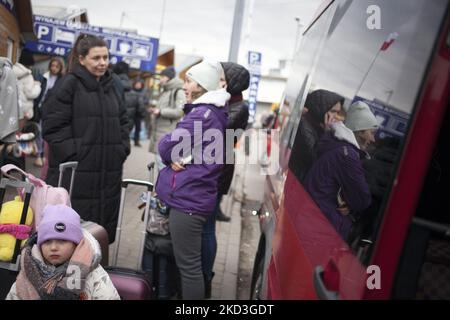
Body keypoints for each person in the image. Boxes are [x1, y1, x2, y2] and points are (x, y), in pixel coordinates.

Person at [42, 34, 131, 243]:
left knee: (99, 236)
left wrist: (121, 149)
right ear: (81, 59)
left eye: (106, 57)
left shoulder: (112, 85)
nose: (103, 63)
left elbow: (124, 121)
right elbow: (53, 127)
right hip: (76, 174)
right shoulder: (69, 84)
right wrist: (77, 152)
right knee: (70, 236)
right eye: (96, 58)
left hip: (108, 173)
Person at [155, 61, 229, 299]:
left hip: (189, 198)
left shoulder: (203, 114)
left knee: (189, 268)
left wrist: (171, 153)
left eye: (189, 81)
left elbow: (167, 146)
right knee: (189, 265)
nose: (185, 86)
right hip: (194, 195)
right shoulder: (213, 112)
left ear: (202, 85)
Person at [201, 62, 249, 298]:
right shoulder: (231, 102)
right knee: (204, 226)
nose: (218, 81)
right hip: (215, 165)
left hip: (218, 169)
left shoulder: (239, 107)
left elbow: (216, 129)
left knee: (208, 227)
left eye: (222, 78)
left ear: (231, 82)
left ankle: (206, 278)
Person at [6, 204, 120, 300]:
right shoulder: (30, 269)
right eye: (47, 241)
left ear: (76, 244)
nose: (54, 247)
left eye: (62, 241)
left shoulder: (92, 273)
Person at [304, 101, 379, 240]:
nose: (373, 139)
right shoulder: (347, 156)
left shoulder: (336, 144)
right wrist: (350, 203)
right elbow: (362, 200)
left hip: (312, 218)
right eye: (371, 133)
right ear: (360, 130)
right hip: (322, 227)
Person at [289, 89, 345, 182]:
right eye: (333, 111)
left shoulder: (317, 127)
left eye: (337, 112)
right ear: (321, 110)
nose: (336, 116)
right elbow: (315, 161)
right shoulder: (304, 128)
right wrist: (327, 134)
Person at [149, 66, 185, 170]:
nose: (160, 79)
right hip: (160, 132)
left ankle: (164, 186)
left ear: (169, 77)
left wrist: (161, 112)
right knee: (160, 163)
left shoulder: (178, 91)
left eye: (162, 76)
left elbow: (180, 111)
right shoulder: (166, 90)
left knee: (163, 166)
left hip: (168, 133)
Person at [33, 57, 65, 168]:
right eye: (52, 65)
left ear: (61, 68)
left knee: (48, 134)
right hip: (41, 109)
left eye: (57, 66)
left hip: (53, 111)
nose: (54, 68)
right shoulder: (44, 77)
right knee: (39, 133)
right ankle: (39, 155)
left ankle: (44, 156)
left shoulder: (62, 80)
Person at [127, 79, 146, 147]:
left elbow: (145, 101)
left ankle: (136, 141)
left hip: (139, 113)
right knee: (128, 126)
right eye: (137, 84)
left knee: (138, 128)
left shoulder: (143, 92)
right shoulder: (130, 91)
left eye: (139, 84)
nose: (138, 85)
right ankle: (127, 140)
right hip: (131, 112)